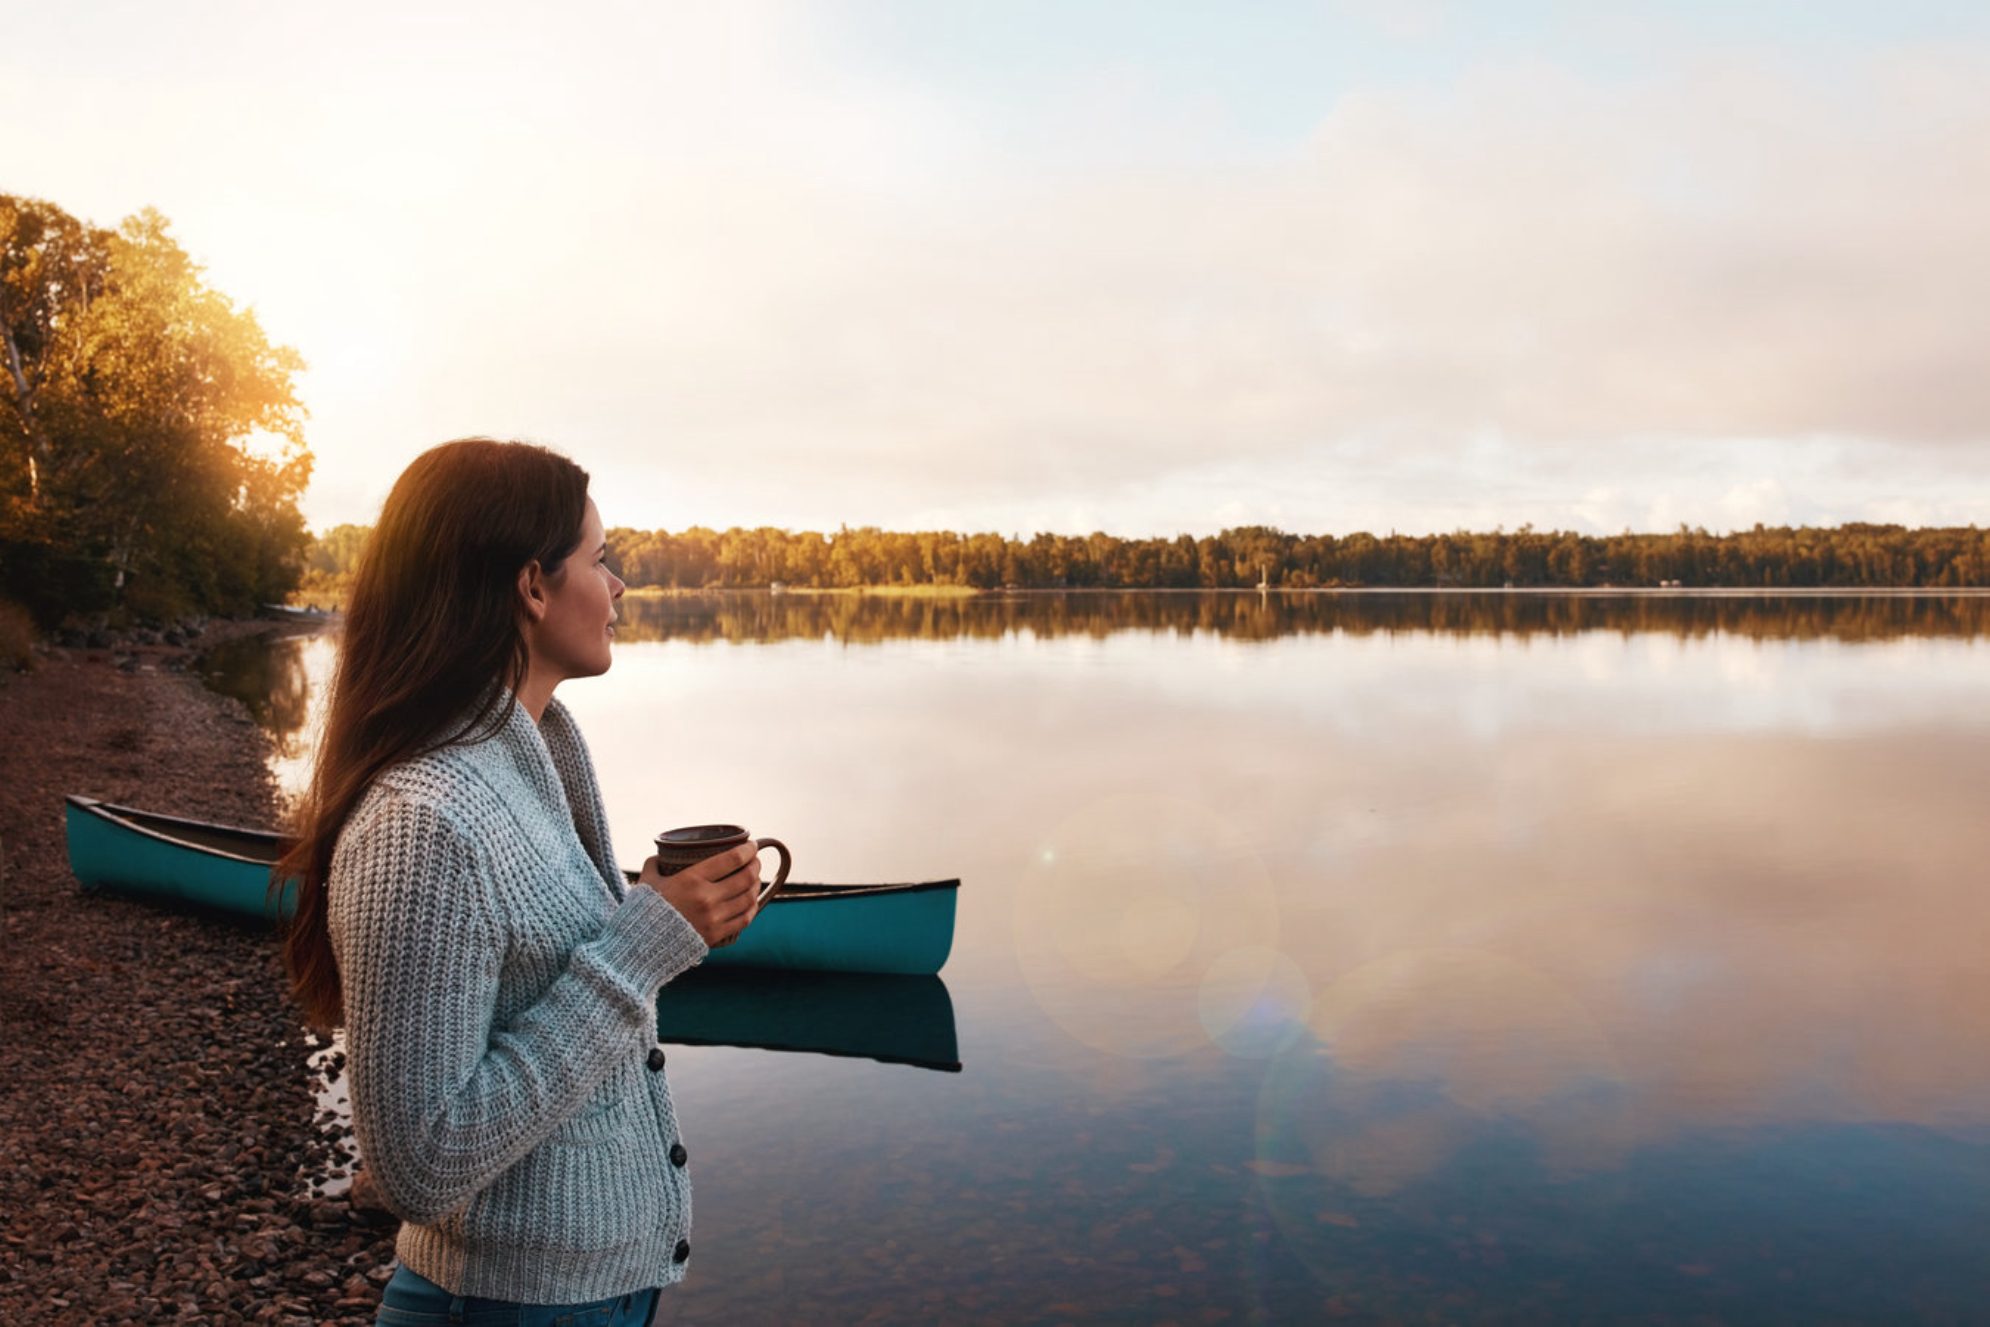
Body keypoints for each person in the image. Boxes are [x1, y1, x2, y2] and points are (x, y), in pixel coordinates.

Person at [273, 438, 764, 1326]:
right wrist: (638, 949)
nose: (618, 587)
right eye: (600, 559)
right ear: (532, 586)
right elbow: (418, 1165)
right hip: (503, 1307)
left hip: (584, 1297)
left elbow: (541, 975)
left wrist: (657, 914)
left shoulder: (535, 753)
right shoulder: (423, 820)